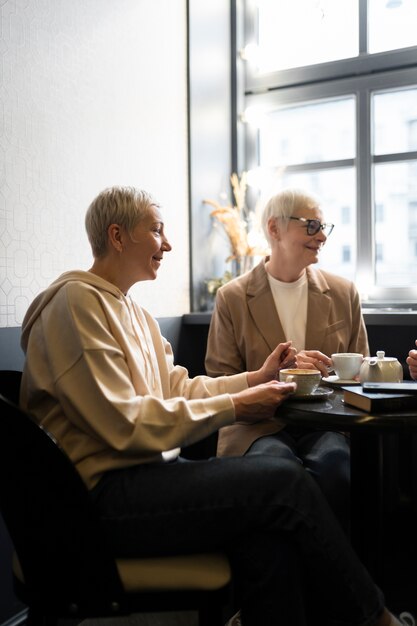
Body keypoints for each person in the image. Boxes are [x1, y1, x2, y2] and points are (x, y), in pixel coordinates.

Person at [19, 186, 412, 626]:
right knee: (280, 477)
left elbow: (177, 388)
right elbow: (123, 425)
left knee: (269, 537)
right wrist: (238, 407)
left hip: (142, 479)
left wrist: (256, 378)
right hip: (97, 501)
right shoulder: (76, 303)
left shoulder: (133, 313)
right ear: (117, 236)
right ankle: (374, 616)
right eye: (157, 231)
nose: (167, 244)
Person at [205, 188, 369, 529]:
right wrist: (278, 375)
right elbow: (220, 381)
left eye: (324, 227)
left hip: (327, 424)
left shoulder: (343, 293)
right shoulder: (232, 298)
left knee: (336, 468)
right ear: (274, 229)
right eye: (311, 225)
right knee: (276, 470)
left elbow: (363, 373)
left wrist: (330, 369)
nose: (322, 236)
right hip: (256, 427)